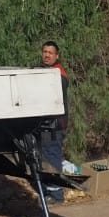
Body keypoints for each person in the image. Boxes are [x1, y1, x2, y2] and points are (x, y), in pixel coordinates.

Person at [39, 40, 68, 204]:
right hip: (46, 125)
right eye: (45, 52)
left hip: (55, 125)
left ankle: (56, 195)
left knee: (52, 157)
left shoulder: (59, 75)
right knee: (45, 158)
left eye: (50, 53)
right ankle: (48, 191)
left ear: (57, 56)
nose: (46, 55)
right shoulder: (46, 71)